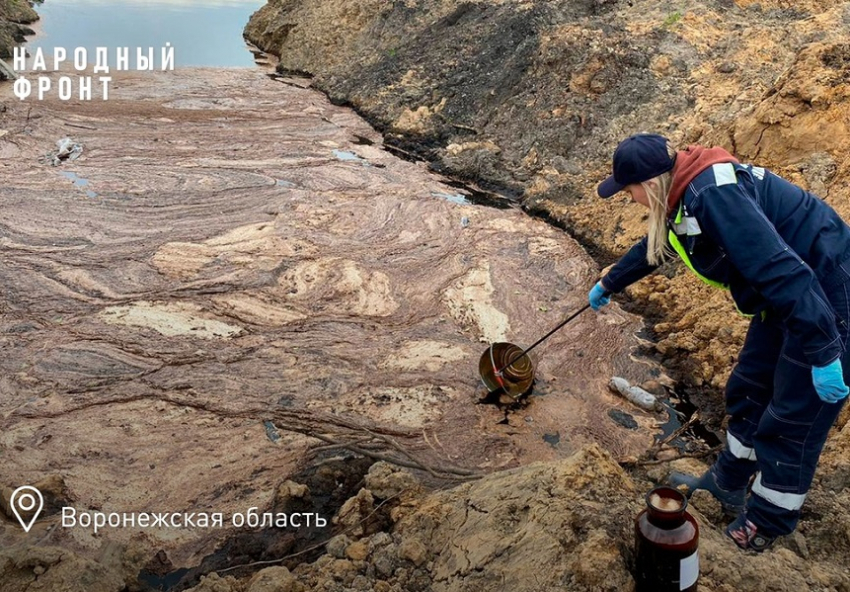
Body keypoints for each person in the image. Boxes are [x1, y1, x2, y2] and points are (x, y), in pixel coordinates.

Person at [589, 133, 850, 552]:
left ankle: (766, 522)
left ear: (650, 184)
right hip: (787, 297)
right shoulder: (683, 193)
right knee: (751, 387)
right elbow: (660, 245)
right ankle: (727, 481)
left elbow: (782, 269)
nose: (629, 198)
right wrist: (611, 280)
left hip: (826, 292)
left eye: (629, 191)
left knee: (793, 414)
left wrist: (824, 349)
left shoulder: (714, 194)